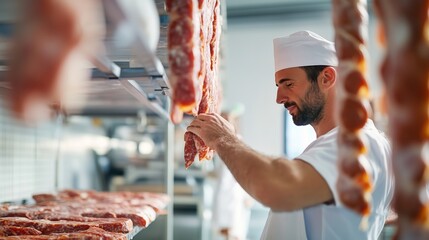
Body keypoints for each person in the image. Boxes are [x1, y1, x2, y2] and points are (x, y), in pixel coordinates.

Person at [187, 30, 393, 240]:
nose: (279, 97)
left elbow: (277, 186)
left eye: (289, 84)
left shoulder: (361, 142)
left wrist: (223, 138)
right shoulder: (335, 143)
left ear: (327, 78)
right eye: (278, 86)